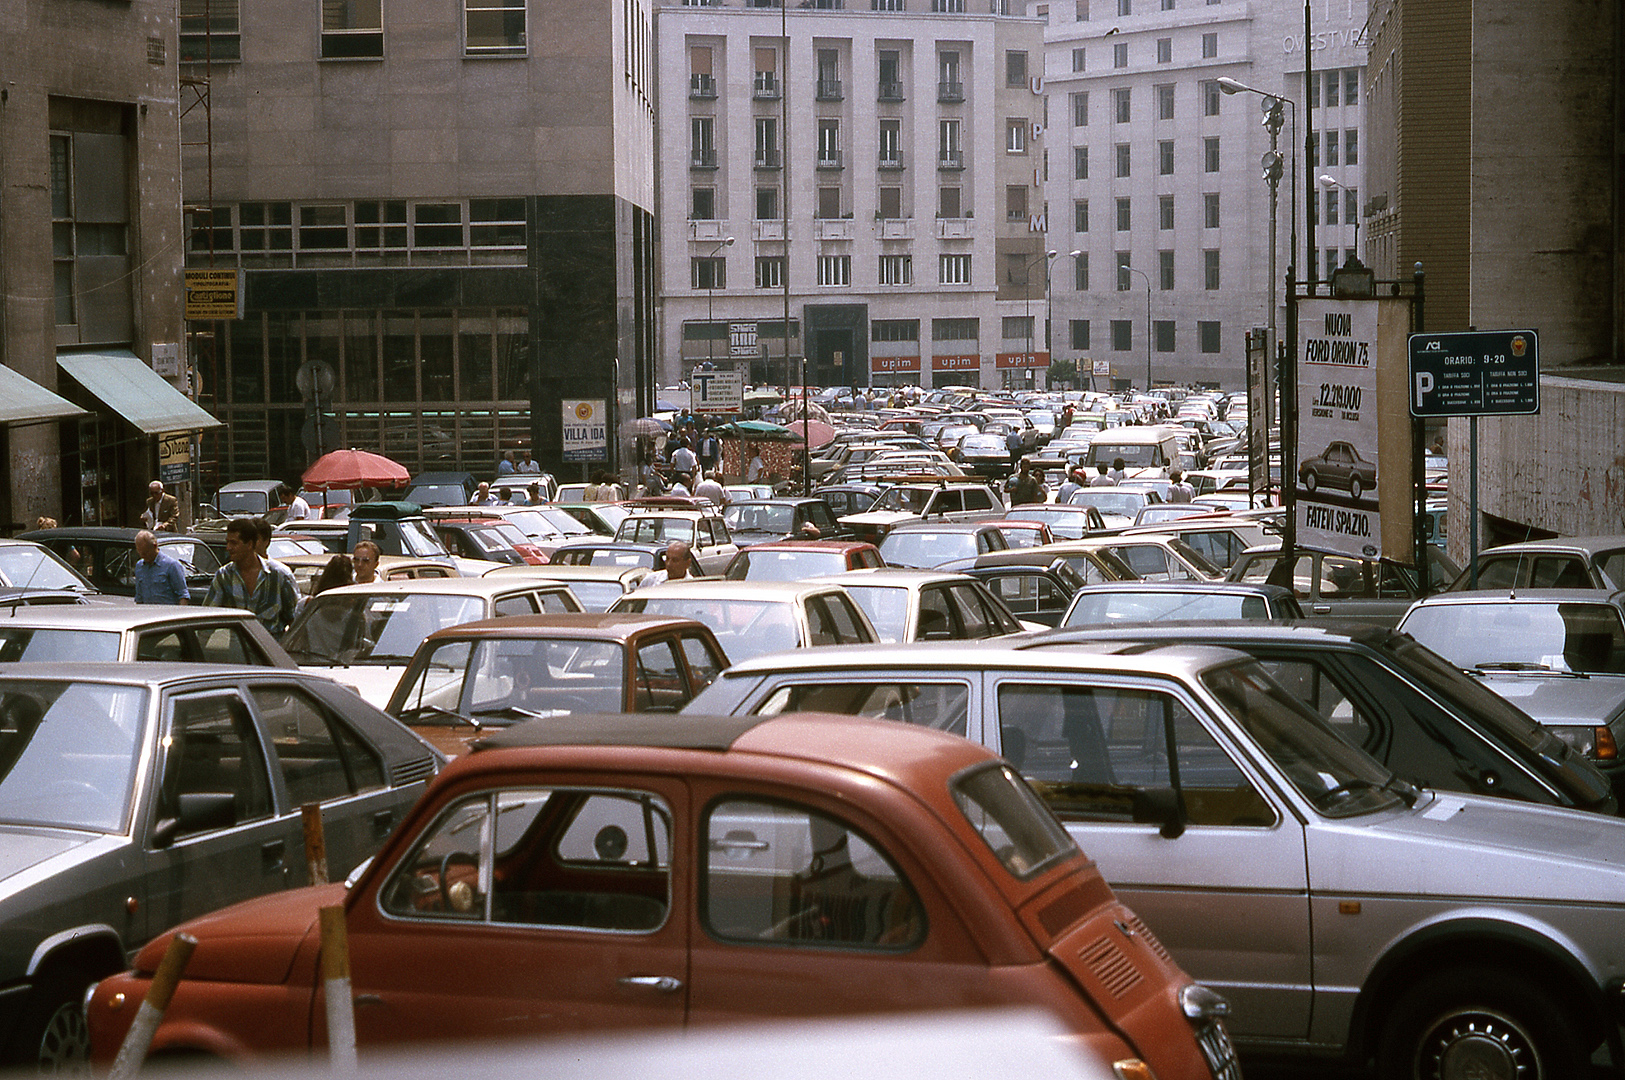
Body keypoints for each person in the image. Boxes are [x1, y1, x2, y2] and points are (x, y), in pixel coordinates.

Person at [203, 518, 301, 638]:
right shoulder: (224, 575)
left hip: (272, 649)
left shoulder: (279, 575)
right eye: (227, 542)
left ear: (249, 544)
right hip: (238, 650)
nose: (228, 547)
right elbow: (208, 618)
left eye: (234, 543)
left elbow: (296, 620)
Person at [132, 530, 189, 605]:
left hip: (168, 614)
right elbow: (139, 597)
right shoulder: (140, 566)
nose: (142, 556)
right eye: (140, 552)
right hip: (147, 613)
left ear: (154, 546)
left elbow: (183, 596)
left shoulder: (171, 565)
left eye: (146, 552)